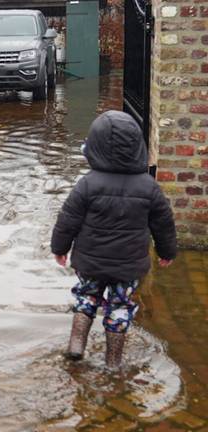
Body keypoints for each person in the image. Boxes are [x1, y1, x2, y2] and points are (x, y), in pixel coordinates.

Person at [51, 110, 177, 368]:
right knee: (120, 306)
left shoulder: (87, 184)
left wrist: (59, 248)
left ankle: (76, 345)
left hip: (90, 263)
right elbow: (163, 223)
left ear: (94, 148)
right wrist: (167, 252)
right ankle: (113, 362)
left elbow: (68, 219)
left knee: (86, 298)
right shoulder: (149, 187)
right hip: (128, 267)